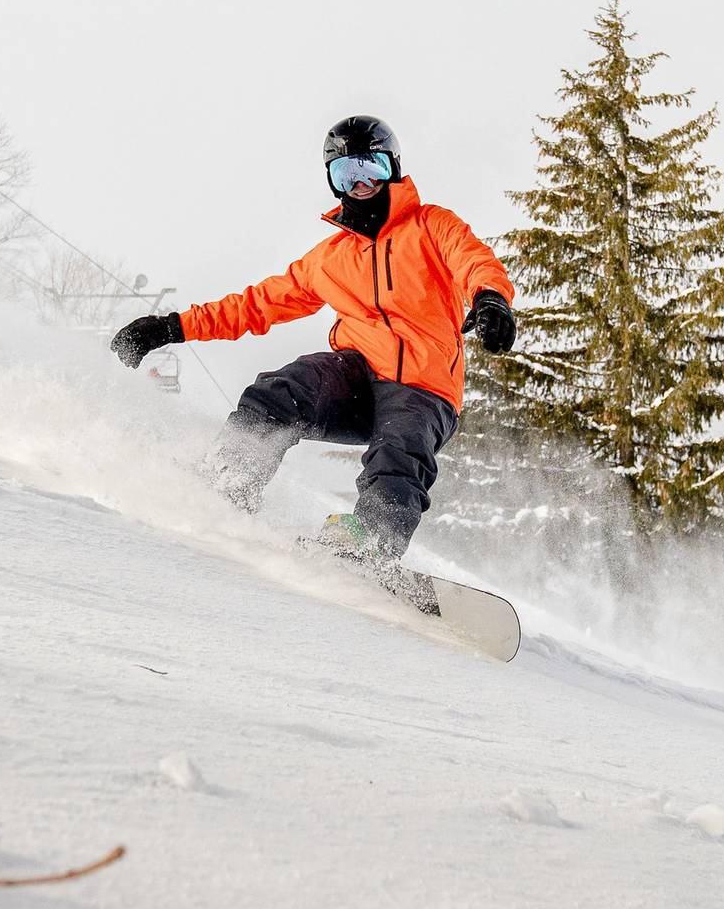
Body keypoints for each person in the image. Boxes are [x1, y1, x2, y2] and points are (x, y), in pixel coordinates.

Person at [110, 115, 516, 571]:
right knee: (280, 390)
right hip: (358, 377)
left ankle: (372, 546)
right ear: (332, 181)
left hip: (423, 388)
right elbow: (256, 304)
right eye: (345, 173)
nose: (360, 183)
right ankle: (229, 479)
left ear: (393, 168)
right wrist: (173, 327)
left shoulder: (430, 226)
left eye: (371, 168)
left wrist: (490, 300)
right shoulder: (330, 259)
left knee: (398, 455)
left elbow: (474, 260)